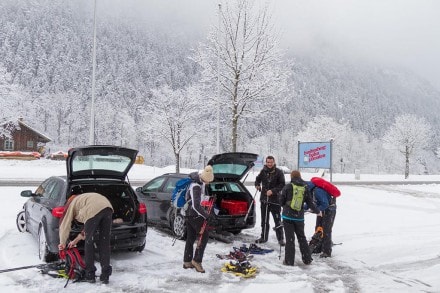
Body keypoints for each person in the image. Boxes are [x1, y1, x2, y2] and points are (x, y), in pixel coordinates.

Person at [58, 192, 113, 284]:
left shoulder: (71, 205)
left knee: (89, 242)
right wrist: (75, 240)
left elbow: (65, 225)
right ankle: (105, 275)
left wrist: (62, 243)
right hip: (107, 207)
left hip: (94, 209)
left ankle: (90, 274)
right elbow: (88, 228)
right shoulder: (83, 200)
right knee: (104, 241)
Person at [279, 170, 320, 266]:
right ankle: (307, 259)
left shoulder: (288, 186)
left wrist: (285, 205)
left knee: (290, 239)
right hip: (299, 218)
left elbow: (281, 201)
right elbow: (310, 202)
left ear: (291, 177)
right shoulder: (305, 187)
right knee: (302, 238)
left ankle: (289, 261)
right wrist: (318, 211)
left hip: (287, 216)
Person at [183, 165, 215, 273]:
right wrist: (207, 216)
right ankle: (197, 261)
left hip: (189, 213)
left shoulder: (200, 183)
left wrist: (208, 199)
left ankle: (187, 261)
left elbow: (197, 199)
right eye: (208, 180)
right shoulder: (196, 186)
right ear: (205, 177)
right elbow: (196, 205)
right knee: (204, 236)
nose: (209, 182)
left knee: (191, 237)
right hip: (193, 215)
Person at [254, 155, 286, 245]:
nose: (269, 164)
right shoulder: (263, 171)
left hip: (275, 200)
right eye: (268, 162)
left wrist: (273, 191)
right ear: (266, 162)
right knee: (264, 220)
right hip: (264, 200)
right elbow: (257, 180)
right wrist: (257, 185)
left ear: (274, 162)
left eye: (271, 162)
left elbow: (282, 184)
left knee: (277, 220)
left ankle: (280, 239)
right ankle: (263, 237)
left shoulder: (279, 172)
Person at [306, 180, 337, 258]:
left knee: (326, 230)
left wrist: (316, 210)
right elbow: (310, 202)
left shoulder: (318, 191)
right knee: (318, 228)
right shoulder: (310, 191)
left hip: (329, 210)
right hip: (321, 211)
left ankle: (327, 251)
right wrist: (302, 208)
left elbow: (325, 204)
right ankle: (318, 248)